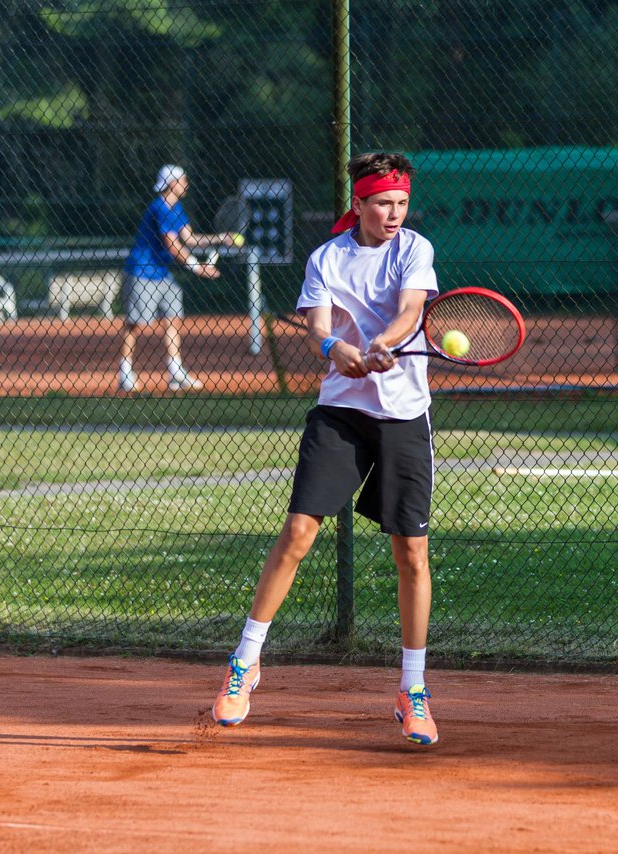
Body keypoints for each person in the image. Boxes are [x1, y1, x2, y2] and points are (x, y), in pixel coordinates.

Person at [211, 152, 441, 746]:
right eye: (382, 204)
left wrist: (385, 345)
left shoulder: (414, 249)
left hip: (403, 417)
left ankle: (412, 690)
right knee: (297, 532)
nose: (394, 215)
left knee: (411, 553)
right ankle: (245, 663)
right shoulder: (327, 257)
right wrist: (339, 348)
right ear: (358, 204)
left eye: (401, 204)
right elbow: (317, 327)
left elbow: (410, 312)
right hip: (341, 411)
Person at [119, 164, 239, 392]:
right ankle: (125, 372)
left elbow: (190, 238)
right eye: (183, 180)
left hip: (162, 273)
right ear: (172, 183)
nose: (186, 184)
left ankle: (175, 372)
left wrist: (221, 238)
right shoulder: (160, 208)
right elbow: (173, 246)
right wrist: (197, 268)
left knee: (173, 317)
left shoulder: (176, 208)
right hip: (142, 271)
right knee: (135, 325)